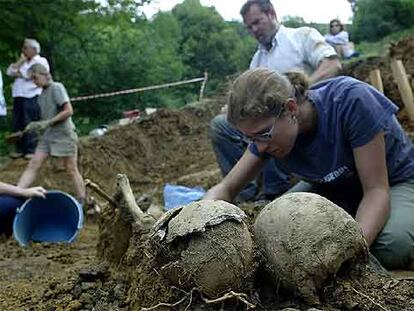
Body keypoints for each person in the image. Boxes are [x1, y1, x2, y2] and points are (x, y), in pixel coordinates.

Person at [205, 68, 414, 270]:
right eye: (251, 138)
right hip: (332, 186)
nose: (259, 146)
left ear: (291, 109)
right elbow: (227, 187)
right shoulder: (268, 131)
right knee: (273, 227)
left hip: (394, 180)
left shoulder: (351, 101)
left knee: (391, 245)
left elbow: (376, 191)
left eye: (263, 134)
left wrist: (347, 255)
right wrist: (197, 218)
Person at [209, 0, 342, 202]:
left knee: (272, 126)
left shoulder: (302, 37)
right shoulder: (257, 61)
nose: (254, 30)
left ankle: (275, 190)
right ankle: (244, 198)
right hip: (270, 120)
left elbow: (332, 65)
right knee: (221, 125)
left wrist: (296, 92)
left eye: (257, 22)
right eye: (249, 27)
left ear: (271, 13)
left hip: (299, 116)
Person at [17, 63, 86, 204]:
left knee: (71, 168)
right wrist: (37, 125)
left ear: (43, 74)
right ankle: (17, 192)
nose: (34, 82)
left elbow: (68, 111)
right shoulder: (41, 94)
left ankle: (83, 200)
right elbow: (47, 117)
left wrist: (48, 122)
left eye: (35, 78)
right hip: (48, 136)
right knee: (34, 164)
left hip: (64, 134)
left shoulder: (57, 87)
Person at [6, 38, 50, 159]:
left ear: (34, 49)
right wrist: (20, 63)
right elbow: (9, 71)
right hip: (18, 94)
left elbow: (29, 74)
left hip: (32, 95)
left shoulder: (41, 61)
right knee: (18, 122)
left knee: (30, 121)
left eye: (26, 48)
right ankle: (19, 148)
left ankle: (31, 149)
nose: (23, 50)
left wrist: (20, 73)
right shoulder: (23, 61)